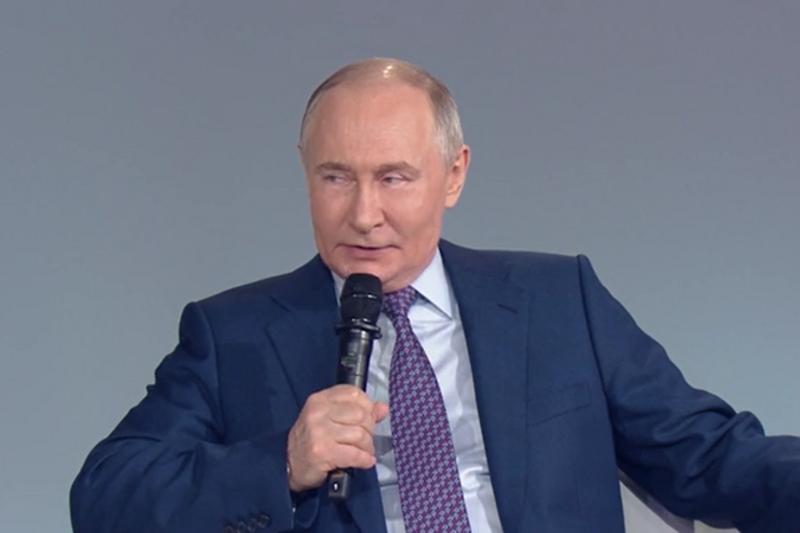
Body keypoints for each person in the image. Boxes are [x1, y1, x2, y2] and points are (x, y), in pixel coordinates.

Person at [70, 58, 800, 533]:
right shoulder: (233, 333)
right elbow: (105, 494)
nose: (363, 214)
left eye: (393, 178)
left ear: (453, 175)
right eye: (335, 177)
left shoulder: (556, 301)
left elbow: (707, 456)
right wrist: (283, 460)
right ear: (304, 172)